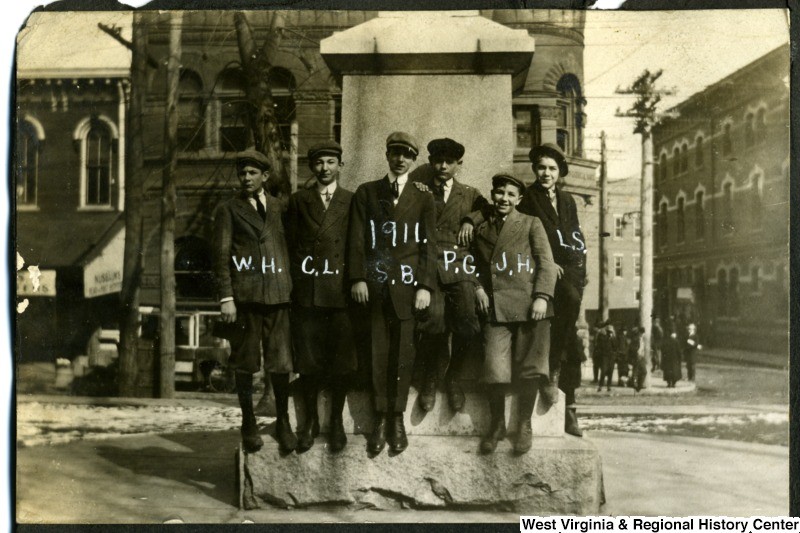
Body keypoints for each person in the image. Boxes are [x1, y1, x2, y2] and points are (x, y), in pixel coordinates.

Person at [460, 143, 588, 436]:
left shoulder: (567, 201)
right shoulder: (525, 197)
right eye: (541, 167)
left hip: (565, 271)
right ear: (535, 170)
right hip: (538, 273)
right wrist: (469, 219)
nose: (546, 173)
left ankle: (564, 401)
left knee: (570, 335)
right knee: (564, 305)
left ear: (560, 172)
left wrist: (578, 269)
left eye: (552, 169)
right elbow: (490, 210)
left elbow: (576, 238)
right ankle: (548, 377)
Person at [348, 132, 436, 455]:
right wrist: (358, 278)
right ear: (387, 155)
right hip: (375, 286)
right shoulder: (367, 192)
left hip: (409, 287)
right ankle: (379, 417)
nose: (400, 159)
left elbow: (429, 245)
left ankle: (397, 417)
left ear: (414, 160)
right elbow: (357, 240)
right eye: (395, 153)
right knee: (377, 351)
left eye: (407, 155)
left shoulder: (423, 197)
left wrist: (425, 285)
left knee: (403, 354)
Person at [212, 149, 296, 453]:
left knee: (281, 362)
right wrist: (226, 297)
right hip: (245, 297)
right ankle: (248, 422)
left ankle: (283, 421)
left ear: (265, 176)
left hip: (277, 294)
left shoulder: (278, 208)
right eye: (242, 173)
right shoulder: (229, 209)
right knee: (246, 362)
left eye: (252, 173)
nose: (246, 178)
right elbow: (221, 257)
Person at [471, 173, 557, 454]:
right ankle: (496, 424)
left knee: (531, 367)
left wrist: (542, 297)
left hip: (532, 306)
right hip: (497, 307)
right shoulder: (480, 228)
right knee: (494, 366)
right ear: (492, 195)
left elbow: (546, 262)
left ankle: (524, 424)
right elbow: (467, 261)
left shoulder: (531, 223)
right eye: (499, 193)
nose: (504, 199)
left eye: (510, 194)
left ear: (519, 199)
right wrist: (477, 288)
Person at [285, 141, 356, 453]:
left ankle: (337, 422)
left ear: (339, 165)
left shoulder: (352, 201)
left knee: (341, 362)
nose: (324, 168)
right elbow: (289, 245)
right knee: (309, 361)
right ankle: (311, 421)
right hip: (309, 291)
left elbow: (358, 245)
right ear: (311, 167)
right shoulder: (299, 200)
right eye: (319, 163)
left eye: (330, 162)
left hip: (340, 293)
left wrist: (357, 281)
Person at [412, 138, 488, 412]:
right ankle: (431, 378)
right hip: (430, 265)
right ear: (432, 162)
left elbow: (488, 210)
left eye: (449, 162)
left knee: (468, 321)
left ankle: (454, 376)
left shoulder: (468, 194)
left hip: (460, 266)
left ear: (459, 165)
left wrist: (470, 219)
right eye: (438, 161)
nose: (443, 166)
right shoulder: (420, 190)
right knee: (433, 321)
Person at [661, 320, 682, 388]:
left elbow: (663, 350)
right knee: (674, 371)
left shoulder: (665, 341)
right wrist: (680, 358)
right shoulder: (676, 341)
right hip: (674, 358)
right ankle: (673, 383)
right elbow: (679, 351)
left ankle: (669, 382)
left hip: (667, 358)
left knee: (668, 371)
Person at [595, 321, 616, 392]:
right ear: (607, 331)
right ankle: (600, 386)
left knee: (610, 371)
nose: (610, 333)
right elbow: (600, 346)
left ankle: (609, 386)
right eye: (609, 332)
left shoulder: (613, 338)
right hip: (604, 357)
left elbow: (615, 347)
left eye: (611, 332)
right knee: (603, 371)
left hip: (611, 357)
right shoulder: (603, 337)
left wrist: (612, 338)